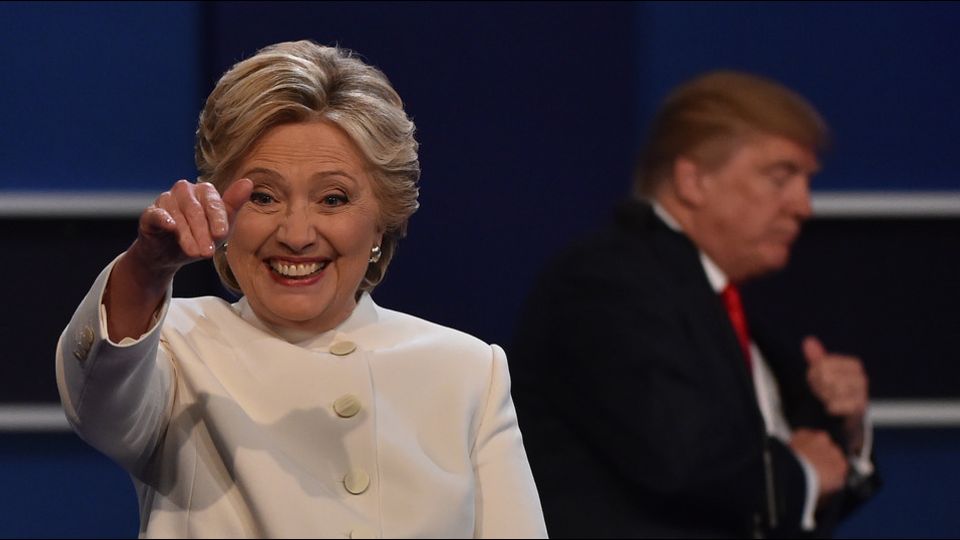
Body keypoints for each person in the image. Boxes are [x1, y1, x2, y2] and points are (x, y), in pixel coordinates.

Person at [56, 40, 546, 539]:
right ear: (221, 207)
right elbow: (96, 406)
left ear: (382, 221)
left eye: (332, 198)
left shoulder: (467, 371)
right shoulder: (176, 346)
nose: (296, 233)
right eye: (264, 196)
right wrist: (145, 270)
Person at [510, 71, 880, 538]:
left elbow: (774, 498)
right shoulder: (605, 281)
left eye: (805, 181)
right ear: (694, 180)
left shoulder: (728, 308)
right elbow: (679, 460)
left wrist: (847, 433)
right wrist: (800, 475)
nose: (803, 205)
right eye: (780, 177)